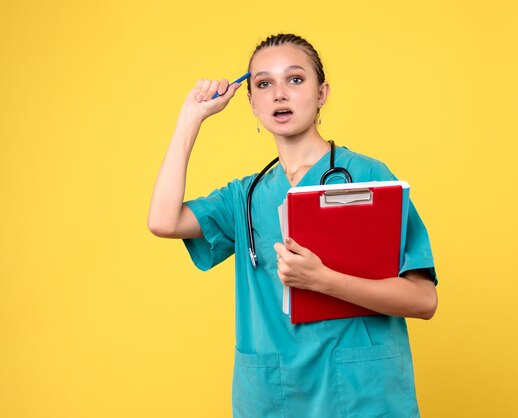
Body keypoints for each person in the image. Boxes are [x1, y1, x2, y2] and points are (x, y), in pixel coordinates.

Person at [148, 33, 438, 418]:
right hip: (275, 394)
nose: (279, 94)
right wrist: (190, 118)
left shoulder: (368, 177)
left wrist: (323, 280)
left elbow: (423, 300)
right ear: (251, 102)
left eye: (296, 79)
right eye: (264, 83)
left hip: (361, 392)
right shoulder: (245, 196)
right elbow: (163, 221)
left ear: (322, 93)